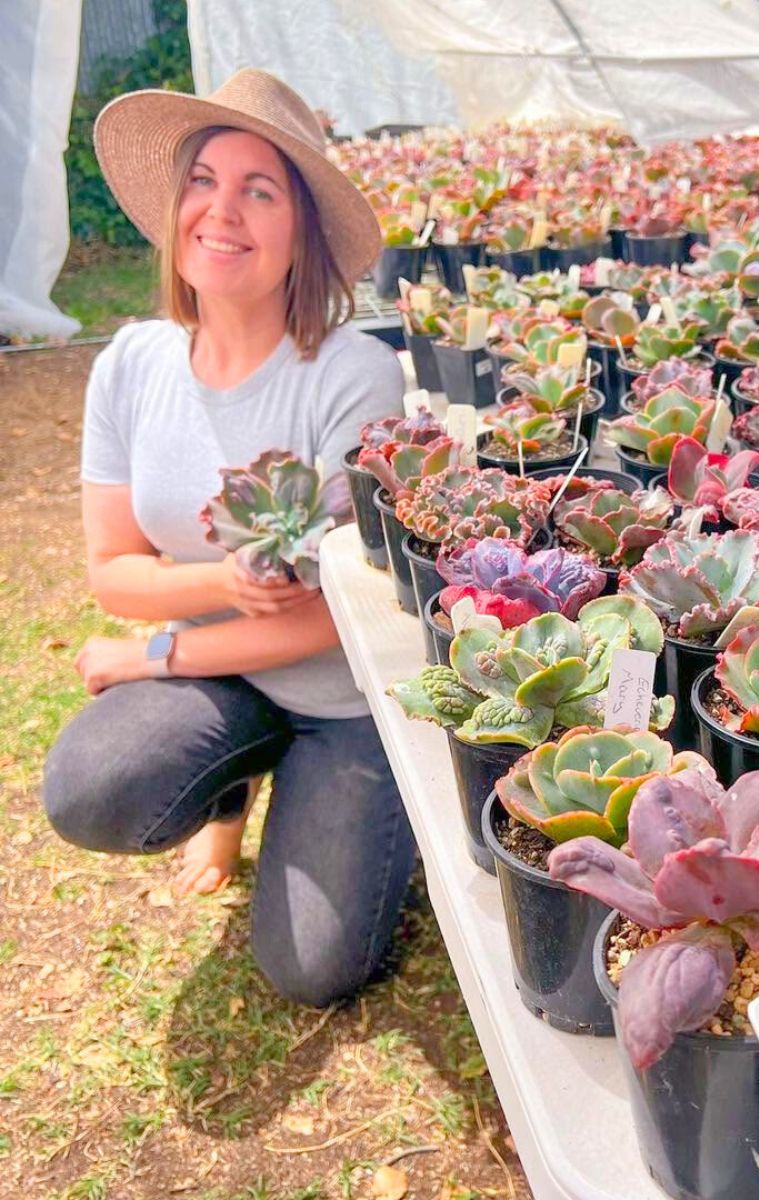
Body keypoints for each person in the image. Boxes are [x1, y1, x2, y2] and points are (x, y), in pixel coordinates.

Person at [42, 69, 416, 1008]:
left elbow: (342, 620)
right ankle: (233, 783)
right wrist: (220, 591)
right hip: (228, 675)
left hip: (342, 702)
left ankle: (331, 785)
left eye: (261, 189)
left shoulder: (355, 377)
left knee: (313, 970)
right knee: (91, 785)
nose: (222, 211)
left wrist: (159, 655)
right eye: (204, 180)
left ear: (303, 233)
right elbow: (114, 572)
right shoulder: (131, 362)